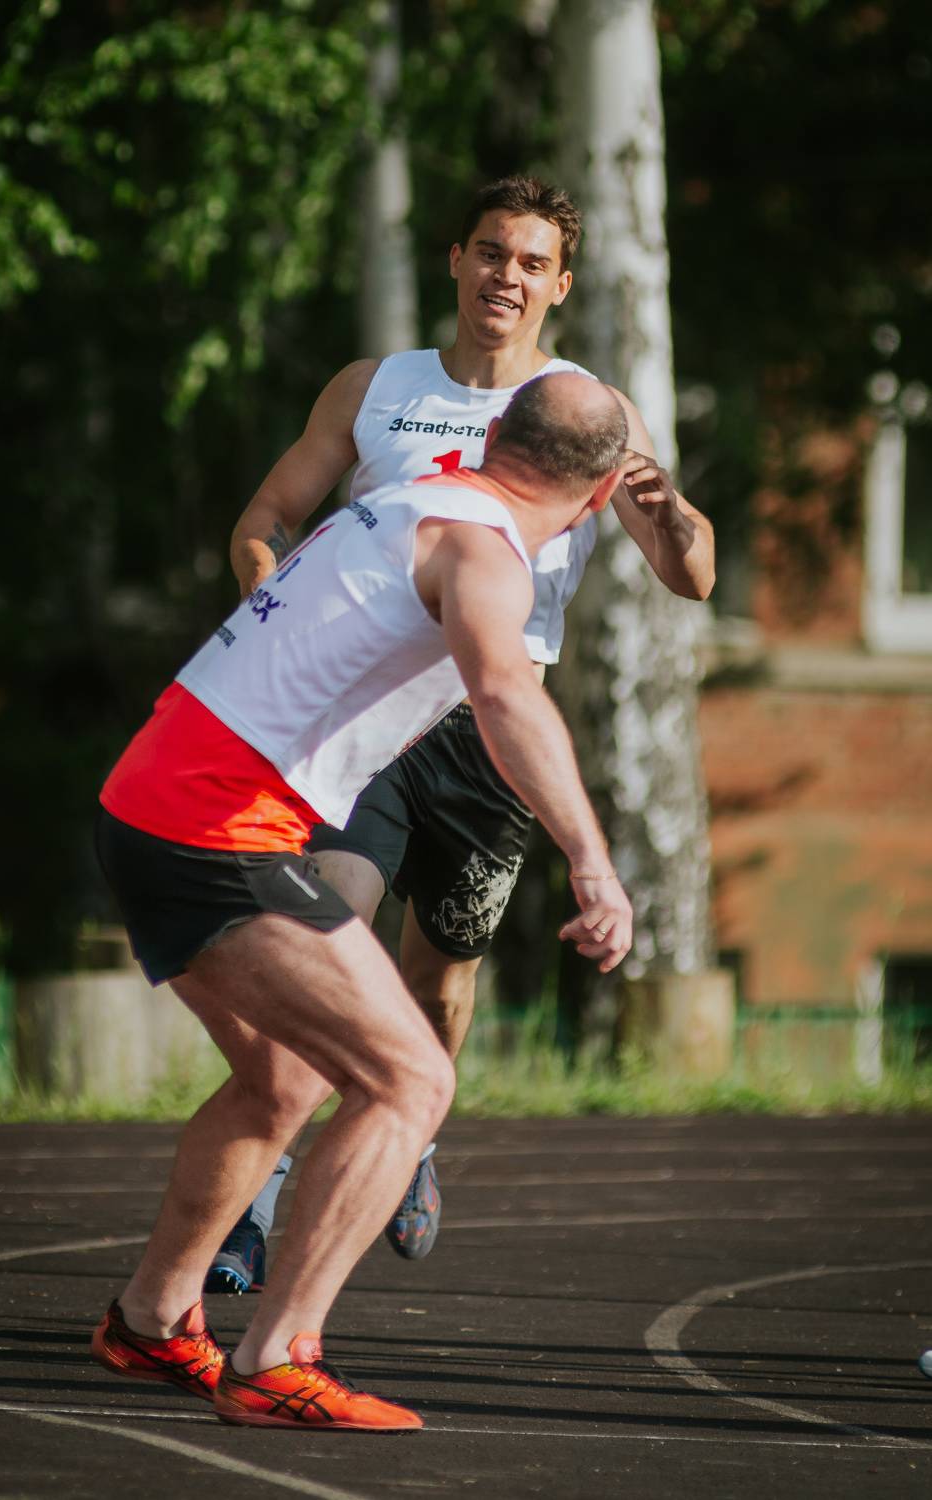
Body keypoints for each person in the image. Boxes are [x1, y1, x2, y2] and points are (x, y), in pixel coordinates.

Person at [204, 174, 716, 1294]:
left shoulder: (590, 412)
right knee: (322, 941)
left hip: (493, 733)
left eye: (532, 264)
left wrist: (673, 512)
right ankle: (256, 1200)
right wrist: (270, 599)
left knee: (438, 981)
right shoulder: (375, 386)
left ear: (560, 286)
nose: (506, 278)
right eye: (491, 252)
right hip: (367, 715)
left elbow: (690, 576)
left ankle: (415, 1131)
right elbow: (264, 518)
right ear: (455, 260)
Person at [91, 372, 633, 1430]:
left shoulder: (403, 500)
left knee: (285, 1077)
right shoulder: (482, 550)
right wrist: (592, 861)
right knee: (410, 1079)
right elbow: (506, 693)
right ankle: (274, 1361)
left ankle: (150, 1322)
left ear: (497, 433)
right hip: (212, 829)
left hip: (147, 801)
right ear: (603, 493)